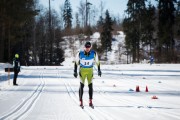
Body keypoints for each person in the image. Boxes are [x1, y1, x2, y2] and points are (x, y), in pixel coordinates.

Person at [73, 41, 101, 107]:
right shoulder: (80, 53)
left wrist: (99, 70)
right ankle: (80, 101)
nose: (87, 48)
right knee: (81, 85)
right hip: (82, 71)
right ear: (84, 47)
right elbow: (76, 62)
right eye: (86, 47)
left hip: (90, 71)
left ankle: (90, 101)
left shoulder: (94, 53)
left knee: (90, 86)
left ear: (90, 47)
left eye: (88, 47)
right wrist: (75, 71)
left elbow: (97, 62)